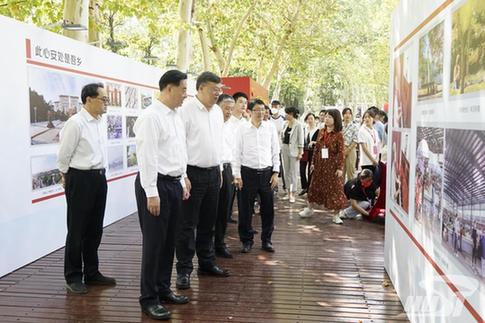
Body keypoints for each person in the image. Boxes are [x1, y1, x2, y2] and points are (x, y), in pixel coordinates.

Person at [134, 70, 190, 320]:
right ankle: (149, 298)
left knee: (170, 241)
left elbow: (179, 150)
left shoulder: (176, 116)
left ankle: (163, 289)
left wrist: (184, 176)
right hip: (155, 185)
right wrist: (152, 192)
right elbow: (148, 157)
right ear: (169, 88)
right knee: (154, 243)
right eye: (184, 89)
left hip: (174, 183)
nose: (185, 95)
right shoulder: (150, 117)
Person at [57, 83, 116, 294]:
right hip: (80, 178)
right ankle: (73, 275)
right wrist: (67, 176)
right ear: (89, 100)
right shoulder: (76, 123)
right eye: (103, 99)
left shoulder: (99, 121)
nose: (107, 103)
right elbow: (63, 155)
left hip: (99, 178)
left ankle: (92, 272)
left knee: (95, 229)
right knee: (77, 229)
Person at [175, 72, 229, 291]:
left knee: (209, 221)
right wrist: (183, 175)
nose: (217, 94)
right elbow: (179, 145)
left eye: (219, 90)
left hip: (214, 172)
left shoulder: (217, 112)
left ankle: (206, 263)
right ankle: (184, 270)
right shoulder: (186, 110)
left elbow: (218, 143)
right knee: (187, 224)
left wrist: (221, 170)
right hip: (192, 173)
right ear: (200, 89)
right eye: (213, 89)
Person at [233, 99, 280, 253]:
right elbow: (236, 153)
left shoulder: (270, 128)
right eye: (257, 110)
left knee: (268, 209)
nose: (260, 113)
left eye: (262, 110)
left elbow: (275, 151)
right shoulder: (242, 128)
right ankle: (246, 240)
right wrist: (237, 175)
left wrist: (276, 173)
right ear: (250, 111)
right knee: (245, 209)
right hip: (247, 173)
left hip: (266, 173)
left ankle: (267, 240)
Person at [299, 109, 347, 224]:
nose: (327, 119)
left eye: (330, 117)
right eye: (326, 116)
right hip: (320, 165)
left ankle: (336, 215)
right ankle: (309, 209)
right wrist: (313, 163)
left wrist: (340, 168)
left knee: (335, 189)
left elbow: (341, 152)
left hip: (332, 166)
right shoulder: (321, 131)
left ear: (336, 119)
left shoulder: (339, 135)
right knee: (314, 186)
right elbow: (317, 148)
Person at [214, 94, 236, 258]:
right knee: (209, 211)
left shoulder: (233, 126)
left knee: (224, 209)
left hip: (228, 169)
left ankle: (219, 244)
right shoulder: (211, 123)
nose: (228, 112)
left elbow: (234, 151)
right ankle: (207, 247)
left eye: (231, 109)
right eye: (226, 108)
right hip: (213, 169)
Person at [227, 92, 249, 224]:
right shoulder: (228, 121)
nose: (243, 105)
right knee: (228, 193)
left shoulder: (246, 123)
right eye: (240, 101)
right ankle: (225, 216)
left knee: (241, 193)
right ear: (233, 103)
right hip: (229, 162)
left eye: (245, 103)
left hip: (243, 163)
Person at [280, 107, 304, 203]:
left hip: (294, 150)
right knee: (286, 171)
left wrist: (300, 152)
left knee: (294, 172)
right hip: (285, 148)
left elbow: (301, 139)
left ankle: (293, 193)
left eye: (287, 113)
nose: (285, 115)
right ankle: (288, 192)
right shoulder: (285, 124)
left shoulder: (298, 125)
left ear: (292, 114)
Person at [299, 113, 319, 196]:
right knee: (302, 170)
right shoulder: (304, 129)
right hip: (304, 151)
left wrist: (314, 142)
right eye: (308, 119)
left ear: (315, 119)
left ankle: (310, 188)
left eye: (311, 118)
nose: (310, 120)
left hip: (313, 152)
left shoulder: (318, 130)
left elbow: (320, 142)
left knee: (310, 170)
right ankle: (304, 187)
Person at [269, 100, 286, 191]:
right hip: (269, 147)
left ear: (279, 107)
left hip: (280, 146)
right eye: (273, 106)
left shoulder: (283, 119)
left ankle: (284, 185)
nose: (274, 107)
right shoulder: (268, 119)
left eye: (276, 106)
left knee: (280, 166)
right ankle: (273, 186)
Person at [358, 109, 380, 175]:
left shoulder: (374, 131)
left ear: (373, 118)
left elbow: (377, 145)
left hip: (375, 161)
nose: (367, 119)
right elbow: (364, 148)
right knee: (367, 183)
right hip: (366, 162)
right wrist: (373, 160)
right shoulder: (362, 131)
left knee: (375, 182)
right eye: (365, 117)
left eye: (369, 117)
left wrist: (376, 158)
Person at [342, 108, 358, 181]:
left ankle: (350, 191)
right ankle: (340, 191)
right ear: (343, 115)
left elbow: (355, 140)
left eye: (349, 113)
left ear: (351, 115)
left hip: (351, 150)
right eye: (345, 113)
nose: (347, 115)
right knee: (340, 173)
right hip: (341, 150)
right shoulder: (339, 126)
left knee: (350, 172)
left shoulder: (355, 126)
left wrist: (348, 150)